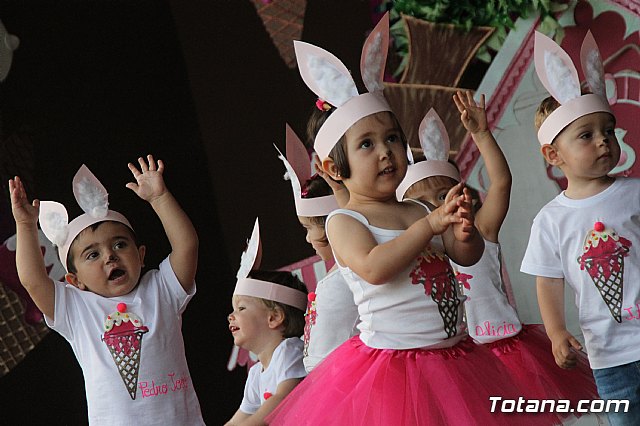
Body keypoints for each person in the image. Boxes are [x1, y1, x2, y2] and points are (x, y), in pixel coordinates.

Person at [267, 14, 549, 425]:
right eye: (367, 144)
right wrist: (431, 226)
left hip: (455, 354)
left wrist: (463, 231)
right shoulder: (345, 222)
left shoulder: (417, 208)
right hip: (397, 367)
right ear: (333, 167)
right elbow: (374, 268)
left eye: (392, 138)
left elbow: (464, 257)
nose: (386, 151)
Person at [399, 92, 598, 422]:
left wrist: (481, 134)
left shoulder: (480, 228)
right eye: (421, 202)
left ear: (461, 195)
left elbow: (501, 181)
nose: (436, 207)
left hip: (510, 348)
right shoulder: (416, 252)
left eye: (441, 195)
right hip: (464, 360)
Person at [9, 156, 204, 425]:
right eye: (92, 255)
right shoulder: (76, 309)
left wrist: (160, 198)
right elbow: (32, 279)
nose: (110, 257)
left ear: (141, 254)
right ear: (74, 280)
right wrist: (26, 226)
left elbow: (187, 246)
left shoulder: (162, 289)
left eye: (120, 245)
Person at [521, 31, 640, 425]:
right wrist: (557, 333)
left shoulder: (635, 193)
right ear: (554, 155)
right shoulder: (552, 220)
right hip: (608, 356)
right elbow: (548, 281)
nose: (603, 142)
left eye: (607, 131)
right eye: (585, 136)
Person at [275, 124, 359, 372]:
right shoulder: (337, 277)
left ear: (333, 224)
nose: (308, 239)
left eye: (308, 228)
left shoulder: (344, 278)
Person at [226, 219, 308, 425]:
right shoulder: (255, 374)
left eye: (241, 308)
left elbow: (281, 402)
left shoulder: (289, 351)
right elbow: (238, 420)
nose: (230, 316)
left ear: (274, 317)